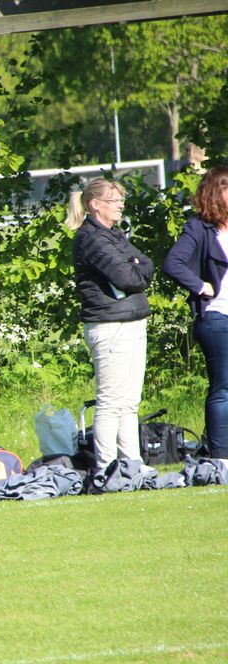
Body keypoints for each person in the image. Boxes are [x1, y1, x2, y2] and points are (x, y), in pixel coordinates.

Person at [65, 178, 154, 469]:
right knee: (110, 401)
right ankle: (106, 467)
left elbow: (147, 264)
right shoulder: (91, 239)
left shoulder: (113, 235)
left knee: (129, 401)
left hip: (131, 321)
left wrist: (137, 268)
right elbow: (128, 277)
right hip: (109, 326)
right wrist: (135, 269)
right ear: (95, 205)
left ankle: (132, 464)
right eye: (115, 201)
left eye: (121, 200)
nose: (120, 206)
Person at [162, 165, 228, 464]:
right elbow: (173, 263)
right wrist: (200, 286)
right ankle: (221, 457)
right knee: (223, 388)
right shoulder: (199, 228)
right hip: (217, 317)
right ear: (216, 192)